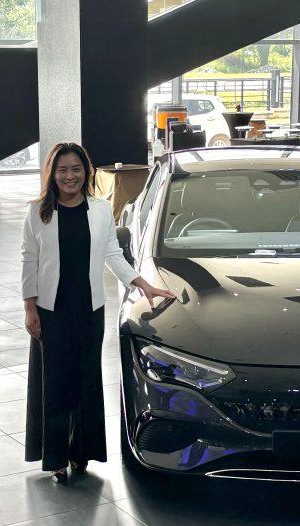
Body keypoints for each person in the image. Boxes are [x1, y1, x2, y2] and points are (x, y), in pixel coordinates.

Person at [22, 142, 175, 483]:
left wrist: (142, 284)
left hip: (89, 310)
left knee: (86, 380)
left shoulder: (101, 210)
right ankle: (56, 457)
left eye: (76, 169)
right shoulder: (38, 212)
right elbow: (29, 260)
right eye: (63, 170)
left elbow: (112, 254)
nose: (70, 176)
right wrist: (30, 307)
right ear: (52, 174)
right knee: (55, 383)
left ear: (86, 172)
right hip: (51, 310)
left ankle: (81, 453)